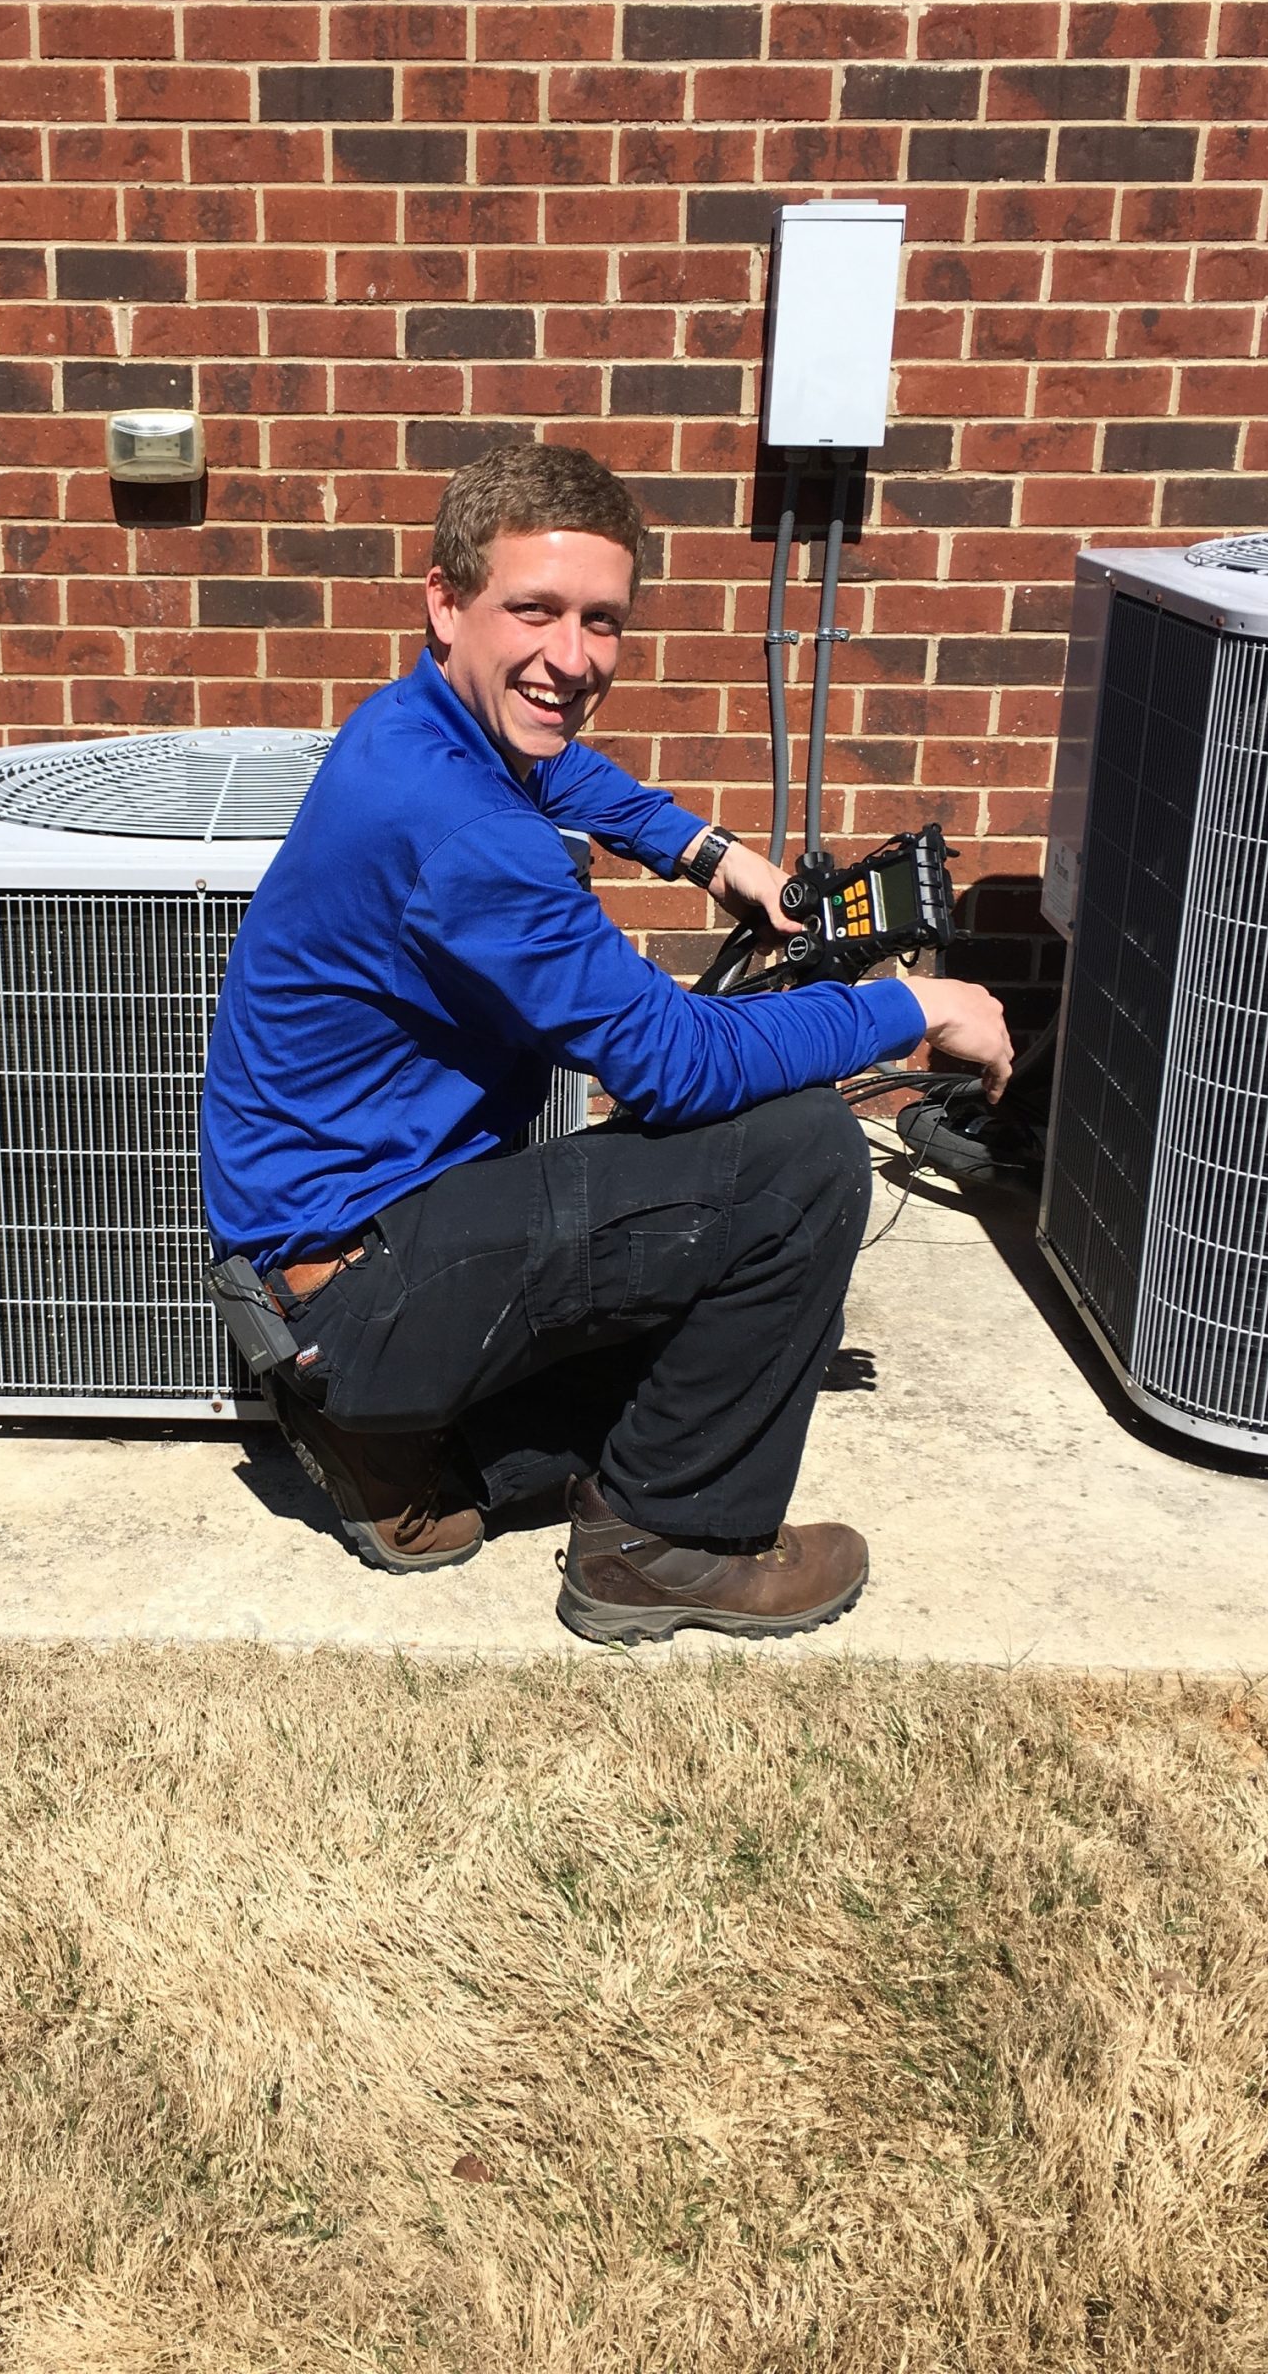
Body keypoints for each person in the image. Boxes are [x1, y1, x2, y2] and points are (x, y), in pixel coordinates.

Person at [199, 444, 1012, 1643]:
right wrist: (913, 1007)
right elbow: (673, 1059)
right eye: (534, 610)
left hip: (316, 1270)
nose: (572, 658)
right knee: (797, 1156)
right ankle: (667, 1543)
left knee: (697, 1231)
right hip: (358, 1294)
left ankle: (409, 1457)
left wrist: (714, 856)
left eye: (602, 622)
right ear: (446, 599)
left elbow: (566, 765)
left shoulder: (414, 722)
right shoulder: (472, 836)